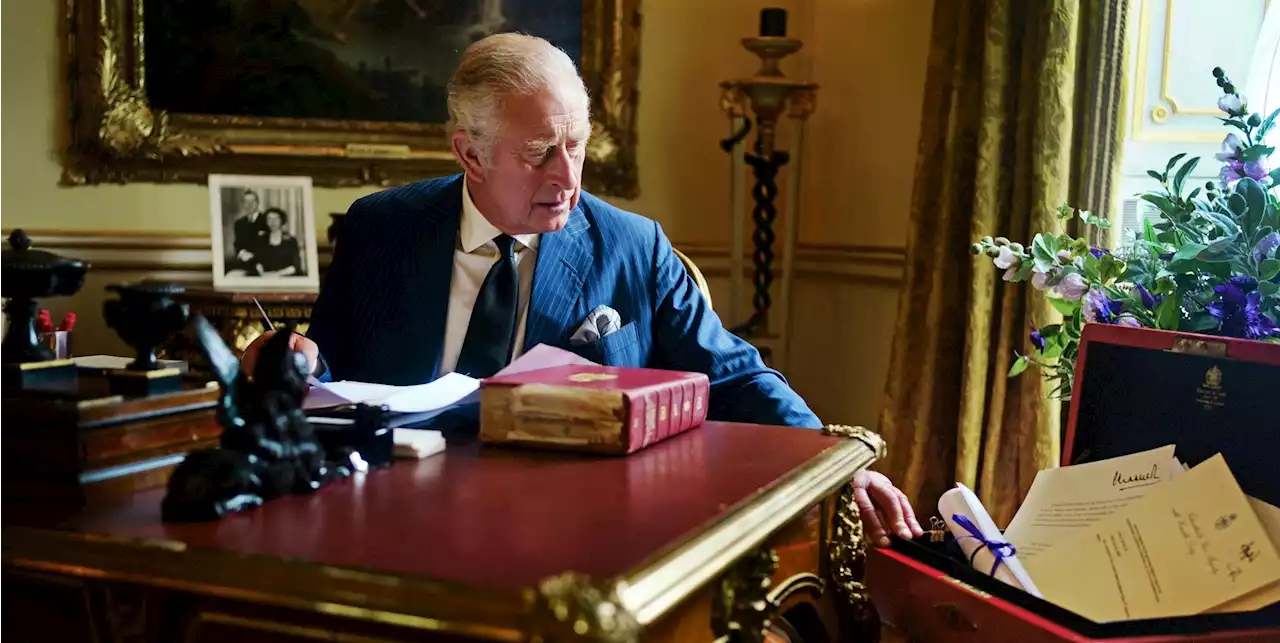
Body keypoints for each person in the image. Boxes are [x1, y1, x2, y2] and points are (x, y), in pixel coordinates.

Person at [240, 33, 922, 546]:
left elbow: (735, 375)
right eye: (540, 151)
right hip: (392, 522)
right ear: (469, 153)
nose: (568, 175)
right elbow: (330, 368)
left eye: (578, 143)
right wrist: (292, 358)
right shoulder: (382, 229)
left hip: (569, 536)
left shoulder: (632, 245)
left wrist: (836, 469)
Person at [253, 208, 303, 277]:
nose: (272, 222)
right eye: (269, 219)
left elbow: (296, 266)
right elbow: (256, 261)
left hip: (286, 278)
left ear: (281, 221)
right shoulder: (261, 240)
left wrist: (277, 274)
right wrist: (263, 274)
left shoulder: (291, 241)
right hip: (265, 278)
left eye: (276, 218)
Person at [229, 189, 268, 275]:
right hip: (244, 261)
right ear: (243, 204)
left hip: (263, 262)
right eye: (246, 201)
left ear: (257, 203)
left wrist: (253, 256)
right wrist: (242, 253)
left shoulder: (266, 220)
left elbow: (268, 244)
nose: (249, 204)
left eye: (252, 201)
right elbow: (237, 243)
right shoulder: (239, 223)